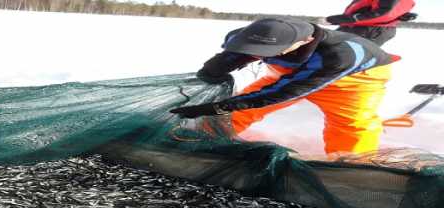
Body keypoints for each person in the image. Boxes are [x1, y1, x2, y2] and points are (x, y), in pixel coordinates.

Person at [171, 18, 400, 155]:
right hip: (292, 74)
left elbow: (281, 93)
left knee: (351, 124)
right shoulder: (265, 33)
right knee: (246, 107)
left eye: (265, 53)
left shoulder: (338, 56)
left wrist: (219, 107)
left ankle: (352, 166)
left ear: (303, 43)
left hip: (355, 82)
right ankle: (206, 139)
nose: (255, 55)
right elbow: (237, 54)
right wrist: (212, 70)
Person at [324, 0, 417, 46]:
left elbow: (381, 14)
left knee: (336, 56)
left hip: (369, 30)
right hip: (357, 27)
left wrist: (338, 19)